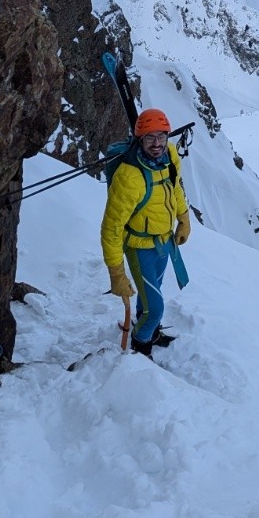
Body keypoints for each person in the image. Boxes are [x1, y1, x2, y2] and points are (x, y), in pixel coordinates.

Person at [100, 107, 191, 355]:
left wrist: (183, 218)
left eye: (161, 136)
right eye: (150, 137)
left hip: (163, 242)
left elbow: (175, 187)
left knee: (151, 295)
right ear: (139, 139)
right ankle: (140, 346)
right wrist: (116, 273)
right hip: (139, 248)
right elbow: (111, 228)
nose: (157, 143)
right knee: (156, 308)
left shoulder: (170, 155)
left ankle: (149, 330)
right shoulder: (129, 178)